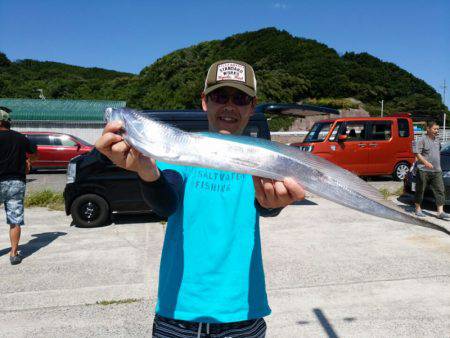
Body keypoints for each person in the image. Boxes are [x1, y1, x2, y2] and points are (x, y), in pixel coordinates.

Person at [96, 60, 305, 337]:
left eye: (240, 98)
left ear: (252, 106)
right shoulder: (182, 150)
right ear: (205, 102)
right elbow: (165, 202)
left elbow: (264, 203)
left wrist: (272, 205)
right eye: (220, 96)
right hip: (177, 315)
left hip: (242, 315)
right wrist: (146, 170)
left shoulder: (258, 159)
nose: (229, 106)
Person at [0, 106, 37, 265]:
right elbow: (35, 152)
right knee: (14, 219)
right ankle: (14, 254)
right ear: (8, 122)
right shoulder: (20, 138)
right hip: (16, 182)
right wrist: (28, 162)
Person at [413, 120, 449, 220]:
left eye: (438, 129)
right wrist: (425, 162)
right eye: (434, 129)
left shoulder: (437, 140)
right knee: (420, 190)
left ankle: (440, 212)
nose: (437, 131)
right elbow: (417, 153)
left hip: (437, 170)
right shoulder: (421, 140)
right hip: (423, 170)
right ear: (428, 129)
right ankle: (417, 209)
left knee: (440, 190)